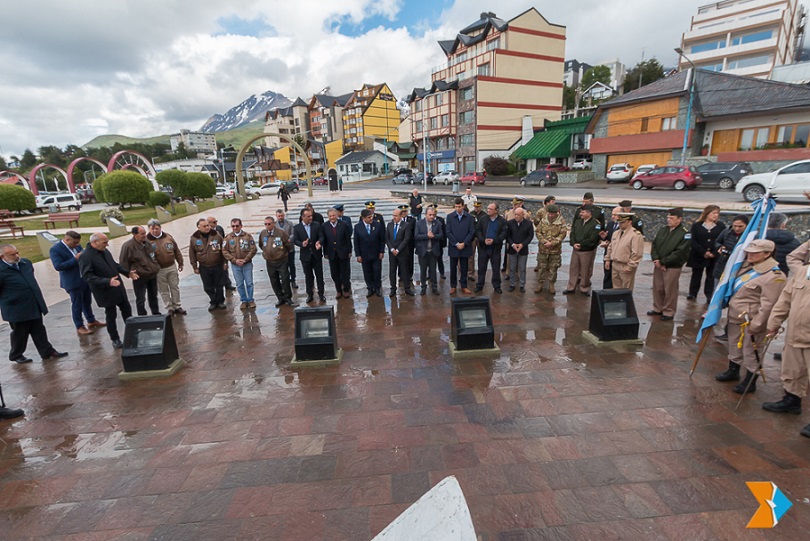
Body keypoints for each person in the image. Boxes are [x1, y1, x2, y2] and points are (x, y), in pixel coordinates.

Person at [715, 239, 786, 394]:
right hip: (736, 316)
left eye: (755, 253)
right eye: (749, 251)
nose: (750, 254)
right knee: (734, 344)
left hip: (752, 320)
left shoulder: (775, 275)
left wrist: (758, 324)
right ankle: (733, 370)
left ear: (767, 254)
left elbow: (769, 305)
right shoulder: (747, 267)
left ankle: (750, 380)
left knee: (752, 350)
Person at [763, 251, 810, 438]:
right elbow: (785, 299)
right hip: (795, 334)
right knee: (792, 371)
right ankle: (792, 400)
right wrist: (774, 323)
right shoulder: (803, 271)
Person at [1, 244, 67, 362]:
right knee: (20, 333)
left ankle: (47, 351)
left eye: (17, 252)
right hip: (16, 308)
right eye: (12, 254)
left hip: (33, 303)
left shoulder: (26, 263)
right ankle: (16, 355)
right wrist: (10, 299)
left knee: (39, 330)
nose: (16, 256)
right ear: (2, 256)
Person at [79, 233, 136, 349]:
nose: (107, 245)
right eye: (104, 242)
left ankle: (133, 334)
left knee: (127, 310)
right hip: (105, 290)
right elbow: (87, 276)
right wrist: (107, 281)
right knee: (111, 314)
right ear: (94, 242)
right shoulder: (86, 256)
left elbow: (114, 265)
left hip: (117, 286)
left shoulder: (104, 251)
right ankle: (115, 339)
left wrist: (127, 273)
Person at [49, 231, 105, 335]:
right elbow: (58, 266)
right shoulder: (55, 249)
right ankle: (79, 326)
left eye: (78, 243)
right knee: (77, 304)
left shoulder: (77, 247)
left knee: (87, 302)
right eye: (74, 243)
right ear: (67, 240)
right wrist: (75, 259)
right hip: (72, 281)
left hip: (84, 279)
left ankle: (91, 320)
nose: (77, 245)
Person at [648, 208, 691, 321]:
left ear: (679, 219)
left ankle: (668, 311)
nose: (669, 220)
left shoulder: (684, 233)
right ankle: (657, 308)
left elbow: (680, 252)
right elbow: (655, 245)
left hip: (672, 266)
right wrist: (656, 259)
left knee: (670, 289)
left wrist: (664, 262)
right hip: (658, 264)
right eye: (668, 217)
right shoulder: (663, 230)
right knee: (658, 288)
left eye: (672, 218)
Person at [711, 215, 749, 341]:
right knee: (717, 296)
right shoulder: (727, 232)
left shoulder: (750, 236)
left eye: (740, 226)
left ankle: (730, 331)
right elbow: (717, 242)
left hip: (739, 273)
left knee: (734, 303)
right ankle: (712, 318)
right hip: (722, 268)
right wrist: (719, 248)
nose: (737, 229)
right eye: (735, 226)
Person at [147, 219, 186, 315]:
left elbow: (176, 250)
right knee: (163, 289)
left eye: (156, 228)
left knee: (174, 287)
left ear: (160, 227)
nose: (154, 231)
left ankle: (177, 305)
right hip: (158, 269)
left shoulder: (168, 237)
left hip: (171, 266)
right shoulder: (147, 241)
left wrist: (180, 262)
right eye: (152, 229)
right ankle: (169, 307)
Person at [119, 226, 161, 316]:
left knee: (153, 295)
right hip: (140, 277)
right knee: (141, 298)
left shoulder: (147, 243)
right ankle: (142, 315)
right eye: (142, 234)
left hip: (152, 274)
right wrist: (129, 273)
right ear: (134, 234)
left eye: (145, 233)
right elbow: (123, 262)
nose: (144, 235)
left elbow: (152, 255)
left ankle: (155, 312)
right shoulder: (128, 246)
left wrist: (156, 266)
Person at [687, 204, 726, 303]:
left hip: (714, 256)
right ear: (707, 213)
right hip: (699, 255)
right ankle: (692, 293)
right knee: (696, 275)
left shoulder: (721, 226)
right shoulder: (697, 225)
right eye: (713, 213)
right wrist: (703, 252)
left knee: (711, 276)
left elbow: (722, 240)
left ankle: (709, 294)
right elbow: (693, 240)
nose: (716, 215)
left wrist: (714, 253)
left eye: (717, 213)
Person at [189, 218, 227, 311]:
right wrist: (194, 267)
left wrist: (225, 262)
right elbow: (192, 253)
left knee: (219, 284)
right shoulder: (194, 238)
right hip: (204, 266)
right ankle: (213, 301)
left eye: (208, 225)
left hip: (217, 264)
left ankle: (220, 301)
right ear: (199, 227)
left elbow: (224, 249)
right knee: (208, 286)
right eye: (205, 226)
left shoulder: (216, 235)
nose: (207, 227)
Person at [563, 205, 601, 296]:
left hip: (586, 251)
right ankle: (571, 287)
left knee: (585, 270)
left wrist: (581, 244)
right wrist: (573, 243)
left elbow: (593, 238)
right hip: (576, 250)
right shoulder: (578, 222)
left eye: (583, 212)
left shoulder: (595, 224)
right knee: (573, 268)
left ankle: (584, 288)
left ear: (589, 213)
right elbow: (572, 234)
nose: (580, 214)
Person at [257, 216, 295, 307]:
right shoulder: (263, 233)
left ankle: (288, 298)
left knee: (285, 280)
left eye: (269, 224)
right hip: (270, 262)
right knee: (274, 281)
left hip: (282, 260)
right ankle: (280, 298)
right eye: (265, 224)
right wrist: (266, 252)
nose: (267, 226)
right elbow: (261, 245)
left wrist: (283, 253)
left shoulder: (281, 233)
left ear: (273, 224)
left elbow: (288, 244)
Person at [222, 218, 258, 310]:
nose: (235, 228)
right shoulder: (228, 238)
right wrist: (234, 260)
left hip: (247, 264)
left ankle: (250, 300)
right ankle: (243, 300)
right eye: (233, 226)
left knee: (249, 283)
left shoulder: (248, 236)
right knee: (239, 284)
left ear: (241, 226)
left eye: (237, 226)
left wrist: (245, 259)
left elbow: (253, 249)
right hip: (235, 264)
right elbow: (224, 251)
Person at [604, 212, 645, 290]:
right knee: (616, 288)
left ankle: (625, 302)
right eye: (619, 222)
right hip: (615, 263)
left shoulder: (635, 235)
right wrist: (608, 259)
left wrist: (630, 266)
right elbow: (610, 247)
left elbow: (636, 253)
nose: (620, 224)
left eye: (623, 222)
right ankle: (617, 302)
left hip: (625, 265)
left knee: (626, 289)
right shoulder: (616, 233)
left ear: (629, 222)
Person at [294, 209, 326, 303]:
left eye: (311, 216)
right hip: (305, 256)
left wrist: (319, 242)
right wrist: (302, 244)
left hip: (316, 254)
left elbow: (321, 236)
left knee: (319, 275)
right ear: (302, 217)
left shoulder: (316, 225)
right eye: (308, 216)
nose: (311, 218)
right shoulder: (297, 227)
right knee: (308, 276)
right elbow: (295, 240)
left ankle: (321, 294)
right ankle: (310, 294)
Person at [534, 204, 567, 294]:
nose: (551, 215)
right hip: (543, 249)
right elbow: (538, 232)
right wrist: (544, 241)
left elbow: (562, 234)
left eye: (553, 214)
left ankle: (551, 284)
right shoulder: (543, 220)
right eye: (549, 213)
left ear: (556, 213)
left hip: (554, 250)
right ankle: (540, 283)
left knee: (553, 268)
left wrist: (552, 243)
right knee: (542, 267)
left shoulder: (561, 222)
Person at [474, 203, 507, 294]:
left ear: (496, 211)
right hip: (483, 248)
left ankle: (496, 286)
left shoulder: (502, 221)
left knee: (496, 268)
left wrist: (494, 240)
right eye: (488, 208)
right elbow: (478, 230)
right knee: (481, 268)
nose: (488, 210)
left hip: (495, 249)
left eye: (491, 209)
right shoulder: (483, 219)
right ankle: (480, 285)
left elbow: (504, 234)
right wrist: (482, 240)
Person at [446, 198, 476, 294]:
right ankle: (453, 286)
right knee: (453, 267)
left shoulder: (469, 217)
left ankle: (464, 285)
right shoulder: (450, 217)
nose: (458, 209)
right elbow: (448, 232)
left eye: (459, 207)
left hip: (465, 247)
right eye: (456, 207)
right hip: (454, 246)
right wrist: (456, 243)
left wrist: (464, 243)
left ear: (463, 206)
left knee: (464, 267)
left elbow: (471, 232)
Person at [354, 208, 386, 297]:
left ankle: (377, 288)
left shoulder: (377, 225)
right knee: (367, 272)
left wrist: (381, 251)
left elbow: (382, 239)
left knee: (377, 271)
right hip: (364, 255)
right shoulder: (358, 227)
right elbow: (356, 242)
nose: (371, 219)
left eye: (371, 216)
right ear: (363, 218)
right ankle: (370, 287)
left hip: (376, 253)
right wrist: (358, 255)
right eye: (369, 217)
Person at [323, 208, 353, 299]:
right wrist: (325, 253)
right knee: (334, 273)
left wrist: (350, 251)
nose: (332, 217)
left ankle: (346, 290)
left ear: (337, 216)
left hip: (343, 252)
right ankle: (338, 290)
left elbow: (348, 239)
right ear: (328, 216)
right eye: (330, 216)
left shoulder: (344, 224)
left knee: (345, 273)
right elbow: (325, 241)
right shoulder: (325, 226)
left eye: (334, 215)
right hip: (332, 253)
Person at [386, 208, 415, 297]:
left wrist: (398, 249)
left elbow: (406, 239)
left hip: (402, 252)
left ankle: (407, 288)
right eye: (393, 215)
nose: (394, 217)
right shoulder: (389, 225)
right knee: (392, 271)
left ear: (401, 216)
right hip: (392, 253)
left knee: (404, 271)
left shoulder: (406, 225)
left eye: (396, 216)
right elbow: (387, 238)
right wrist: (391, 249)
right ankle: (393, 289)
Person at [415, 206, 444, 295]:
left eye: (433, 215)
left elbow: (441, 235)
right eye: (430, 215)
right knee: (423, 270)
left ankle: (434, 287)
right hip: (423, 251)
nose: (432, 217)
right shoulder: (419, 223)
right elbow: (416, 236)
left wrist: (433, 236)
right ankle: (423, 287)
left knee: (433, 270)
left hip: (433, 251)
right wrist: (426, 236)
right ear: (425, 214)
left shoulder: (438, 223)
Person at [506, 207, 534, 292]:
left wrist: (522, 244)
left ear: (523, 215)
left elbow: (530, 236)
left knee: (522, 268)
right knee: (512, 267)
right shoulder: (510, 223)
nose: (516, 216)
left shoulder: (528, 224)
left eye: (518, 215)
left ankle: (522, 285)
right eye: (515, 214)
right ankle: (512, 284)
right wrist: (513, 244)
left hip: (523, 249)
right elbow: (507, 236)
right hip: (512, 249)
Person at [207, 216, 236, 292]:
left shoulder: (219, 229)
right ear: (209, 223)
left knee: (224, 269)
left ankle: (228, 284)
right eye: (214, 222)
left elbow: (223, 239)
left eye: (216, 221)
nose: (216, 223)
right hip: (212, 254)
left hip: (221, 251)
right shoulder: (206, 231)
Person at [600, 207, 622, 289]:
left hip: (617, 256)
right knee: (607, 276)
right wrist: (604, 238)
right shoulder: (610, 224)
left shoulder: (623, 227)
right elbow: (607, 238)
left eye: (615, 215)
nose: (613, 216)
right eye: (612, 214)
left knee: (617, 280)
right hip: (608, 255)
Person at [276, 209, 298, 290]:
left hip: (289, 247)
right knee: (282, 266)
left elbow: (293, 233)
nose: (281, 217)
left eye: (282, 216)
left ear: (284, 215)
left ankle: (293, 280)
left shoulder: (290, 223)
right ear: (276, 216)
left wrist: (289, 239)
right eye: (279, 216)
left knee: (291, 264)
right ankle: (284, 280)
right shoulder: (274, 225)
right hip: (279, 249)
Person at [468, 201, 485, 281]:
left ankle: (481, 272)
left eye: (478, 207)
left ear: (481, 207)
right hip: (473, 238)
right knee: (471, 256)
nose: (476, 208)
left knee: (482, 256)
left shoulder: (484, 215)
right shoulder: (471, 214)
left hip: (481, 238)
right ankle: (470, 273)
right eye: (475, 207)